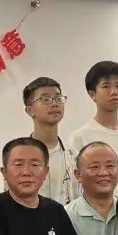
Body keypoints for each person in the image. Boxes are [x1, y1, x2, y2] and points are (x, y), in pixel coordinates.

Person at [68, 61, 118, 194]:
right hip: (98, 206)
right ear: (92, 94)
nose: (114, 92)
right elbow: (76, 185)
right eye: (106, 86)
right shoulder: (80, 137)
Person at [23, 76, 79, 205]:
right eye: (46, 99)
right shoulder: (19, 158)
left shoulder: (74, 156)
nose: (54, 104)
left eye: (59, 98)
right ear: (29, 110)